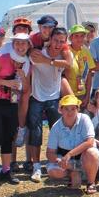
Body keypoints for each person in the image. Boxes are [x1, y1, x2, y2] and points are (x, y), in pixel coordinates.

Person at [0, 33, 31, 186]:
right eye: (17, 43)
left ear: (28, 46)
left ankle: (6, 170)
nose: (20, 47)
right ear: (13, 45)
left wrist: (22, 77)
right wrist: (9, 83)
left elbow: (26, 90)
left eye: (24, 44)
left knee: (8, 136)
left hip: (11, 103)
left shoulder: (26, 63)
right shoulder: (3, 59)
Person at [27, 27, 73, 183]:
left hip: (54, 98)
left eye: (62, 41)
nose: (58, 44)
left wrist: (48, 61)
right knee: (36, 133)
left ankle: (56, 163)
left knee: (58, 132)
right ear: (50, 39)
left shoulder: (63, 54)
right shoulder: (38, 52)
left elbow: (68, 64)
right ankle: (36, 166)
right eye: (55, 40)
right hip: (37, 96)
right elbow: (31, 57)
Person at [46, 95, 99, 194]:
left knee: (92, 153)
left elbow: (89, 142)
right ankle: (73, 174)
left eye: (73, 109)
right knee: (52, 171)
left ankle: (90, 183)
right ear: (60, 110)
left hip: (84, 156)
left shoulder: (84, 119)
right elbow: (50, 153)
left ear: (78, 109)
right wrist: (59, 161)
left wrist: (70, 154)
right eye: (66, 109)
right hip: (67, 161)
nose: (70, 112)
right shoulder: (56, 127)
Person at [68, 24, 96, 108]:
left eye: (82, 36)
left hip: (82, 94)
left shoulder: (85, 51)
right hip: (68, 94)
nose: (79, 39)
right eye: (76, 36)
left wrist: (87, 96)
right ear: (71, 38)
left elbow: (89, 75)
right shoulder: (66, 50)